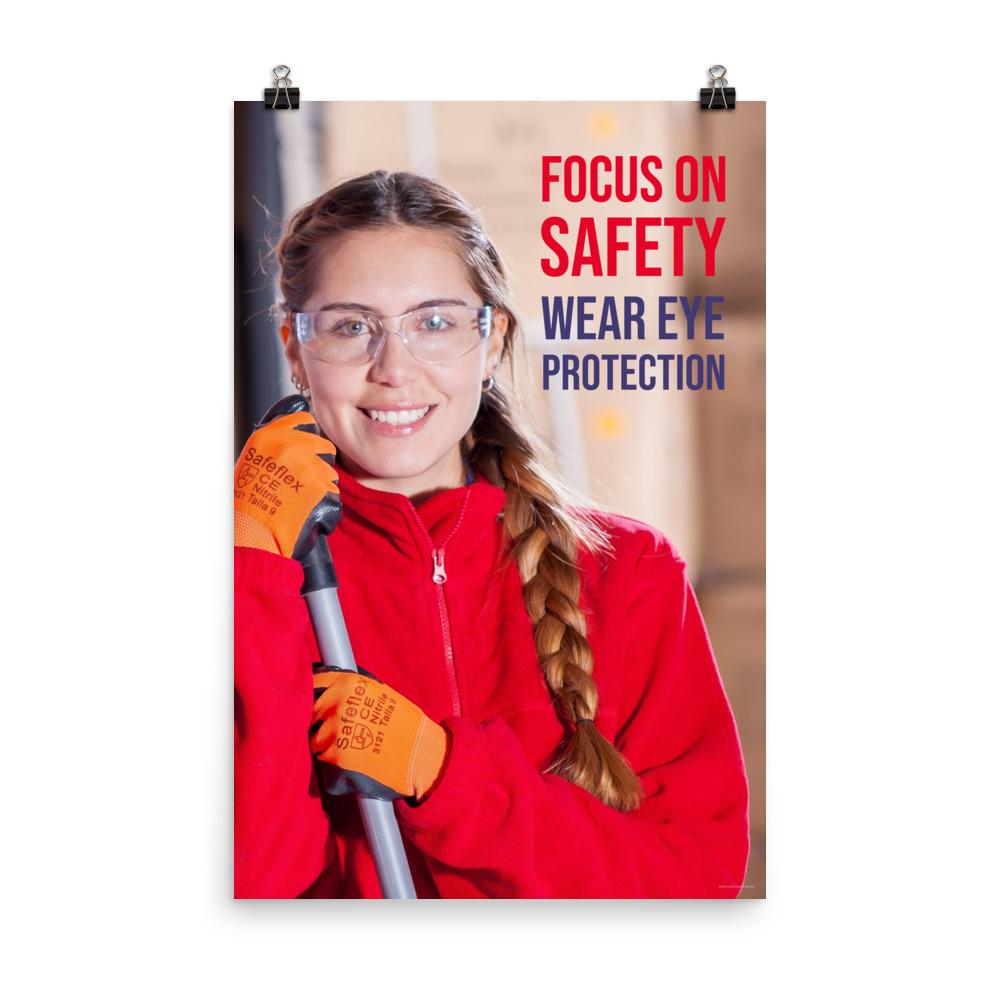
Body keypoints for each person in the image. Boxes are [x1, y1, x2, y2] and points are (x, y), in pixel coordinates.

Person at [234, 170, 750, 899]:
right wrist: (249, 573)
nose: (394, 369)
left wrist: (446, 775)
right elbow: (246, 886)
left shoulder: (629, 572)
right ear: (295, 347)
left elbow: (692, 886)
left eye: (434, 323)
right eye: (352, 326)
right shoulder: (255, 581)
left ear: (492, 338)